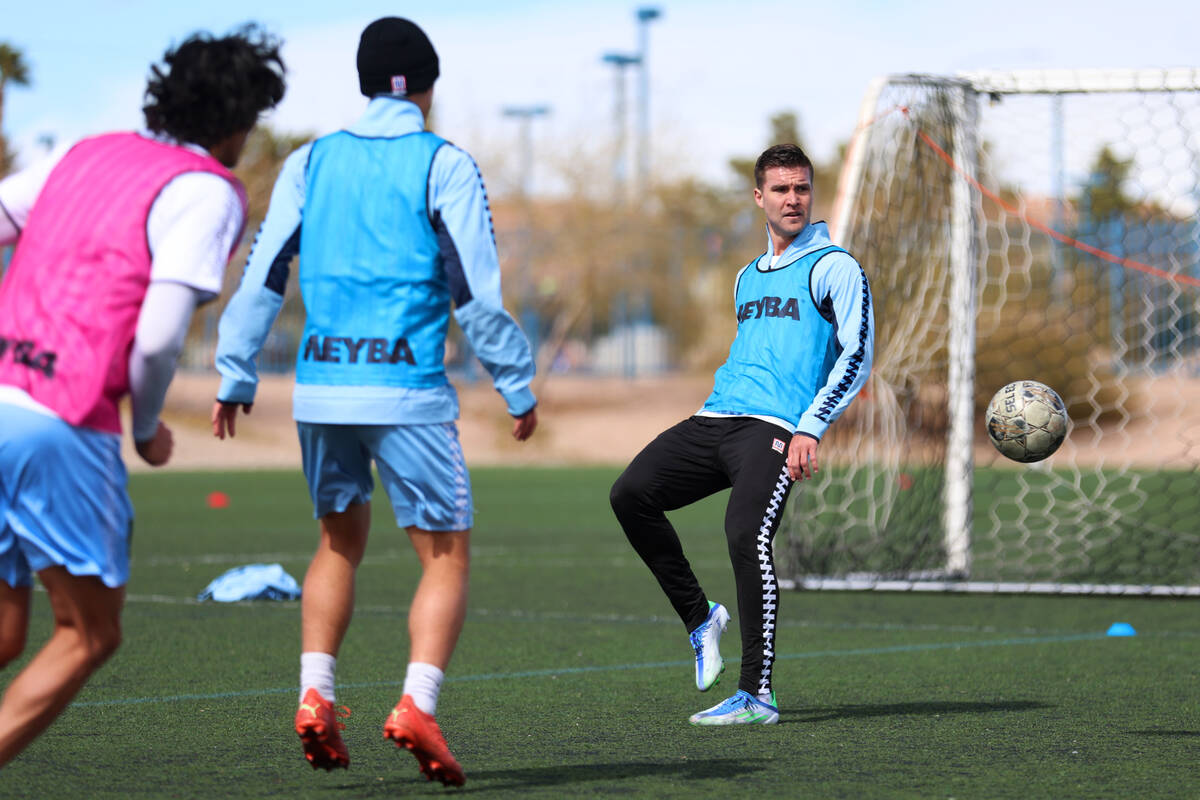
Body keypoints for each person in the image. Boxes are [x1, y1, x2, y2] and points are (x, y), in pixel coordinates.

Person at [210, 16, 537, 787]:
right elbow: (477, 296)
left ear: (362, 82)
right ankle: (416, 702)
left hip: (321, 388)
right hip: (407, 391)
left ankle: (315, 695)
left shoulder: (310, 162)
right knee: (445, 552)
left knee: (337, 543)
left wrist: (235, 371)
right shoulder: (444, 163)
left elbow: (263, 274)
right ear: (427, 86)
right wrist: (516, 383)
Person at [0, 26, 285, 767]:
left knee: (5, 632)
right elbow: (158, 340)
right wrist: (148, 427)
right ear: (238, 124)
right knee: (89, 634)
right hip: (58, 420)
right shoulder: (205, 192)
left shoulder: (84, 152)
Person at [609, 143, 874, 726]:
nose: (793, 199)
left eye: (802, 188)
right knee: (630, 495)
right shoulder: (746, 276)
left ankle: (757, 695)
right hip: (716, 418)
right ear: (759, 198)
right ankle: (701, 619)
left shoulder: (835, 267)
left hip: (777, 429)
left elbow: (857, 355)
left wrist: (812, 427)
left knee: (744, 535)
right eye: (780, 189)